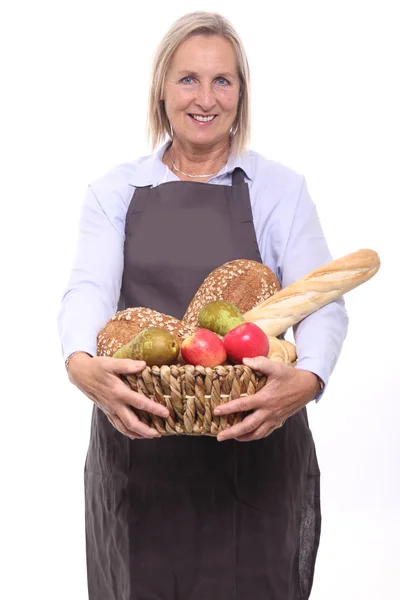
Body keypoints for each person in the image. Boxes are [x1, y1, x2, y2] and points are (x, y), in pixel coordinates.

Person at [58, 10, 348, 600]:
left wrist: (308, 379)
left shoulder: (278, 189)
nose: (205, 99)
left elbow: (322, 301)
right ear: (162, 88)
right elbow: (87, 289)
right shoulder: (115, 192)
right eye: (188, 79)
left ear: (242, 94)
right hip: (142, 451)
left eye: (223, 81)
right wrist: (81, 363)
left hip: (257, 450)